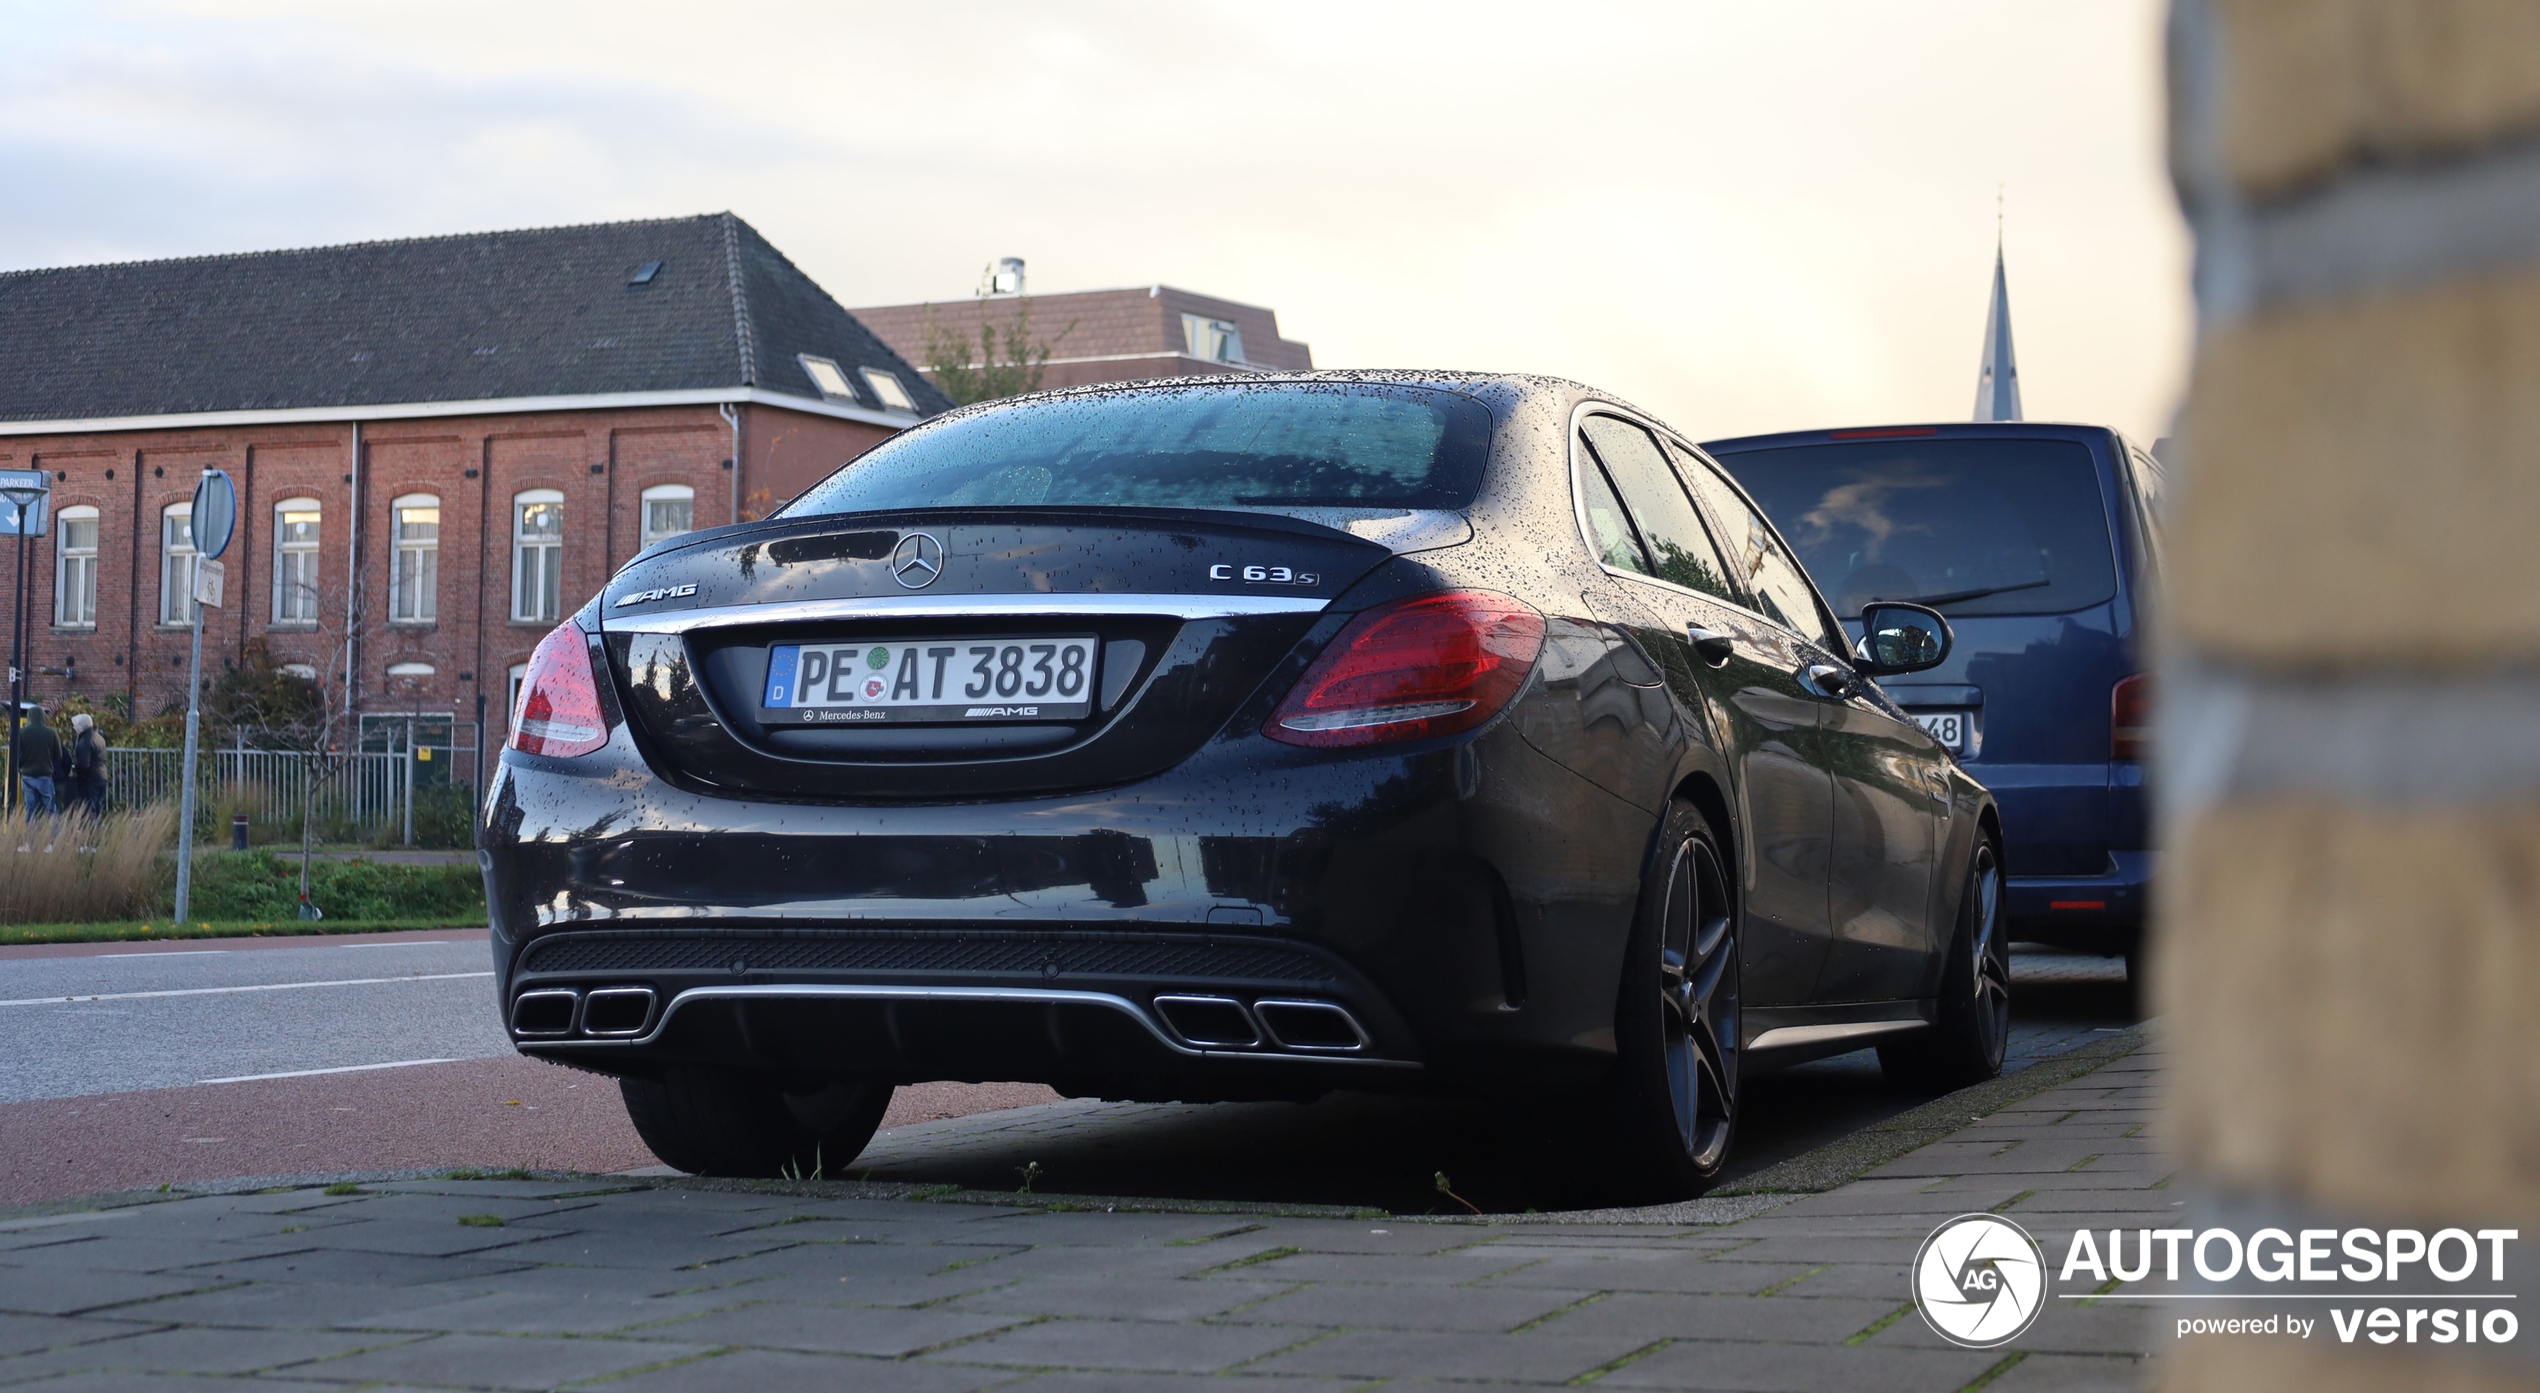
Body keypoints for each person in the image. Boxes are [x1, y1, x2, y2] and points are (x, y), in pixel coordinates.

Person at [16, 706, 58, 816]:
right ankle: (55, 832)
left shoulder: (22, 732)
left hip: (27, 774)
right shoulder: (51, 732)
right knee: (50, 808)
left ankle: (31, 832)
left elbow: (17, 754)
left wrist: (21, 767)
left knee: (29, 809)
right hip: (45, 774)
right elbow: (58, 755)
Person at [67, 713, 105, 819]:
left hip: (90, 780)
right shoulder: (99, 738)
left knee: (89, 809)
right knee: (97, 807)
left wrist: (80, 776)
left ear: (81, 726)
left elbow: (83, 764)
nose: (74, 728)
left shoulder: (85, 741)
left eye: (75, 725)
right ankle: (98, 831)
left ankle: (91, 832)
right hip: (101, 776)